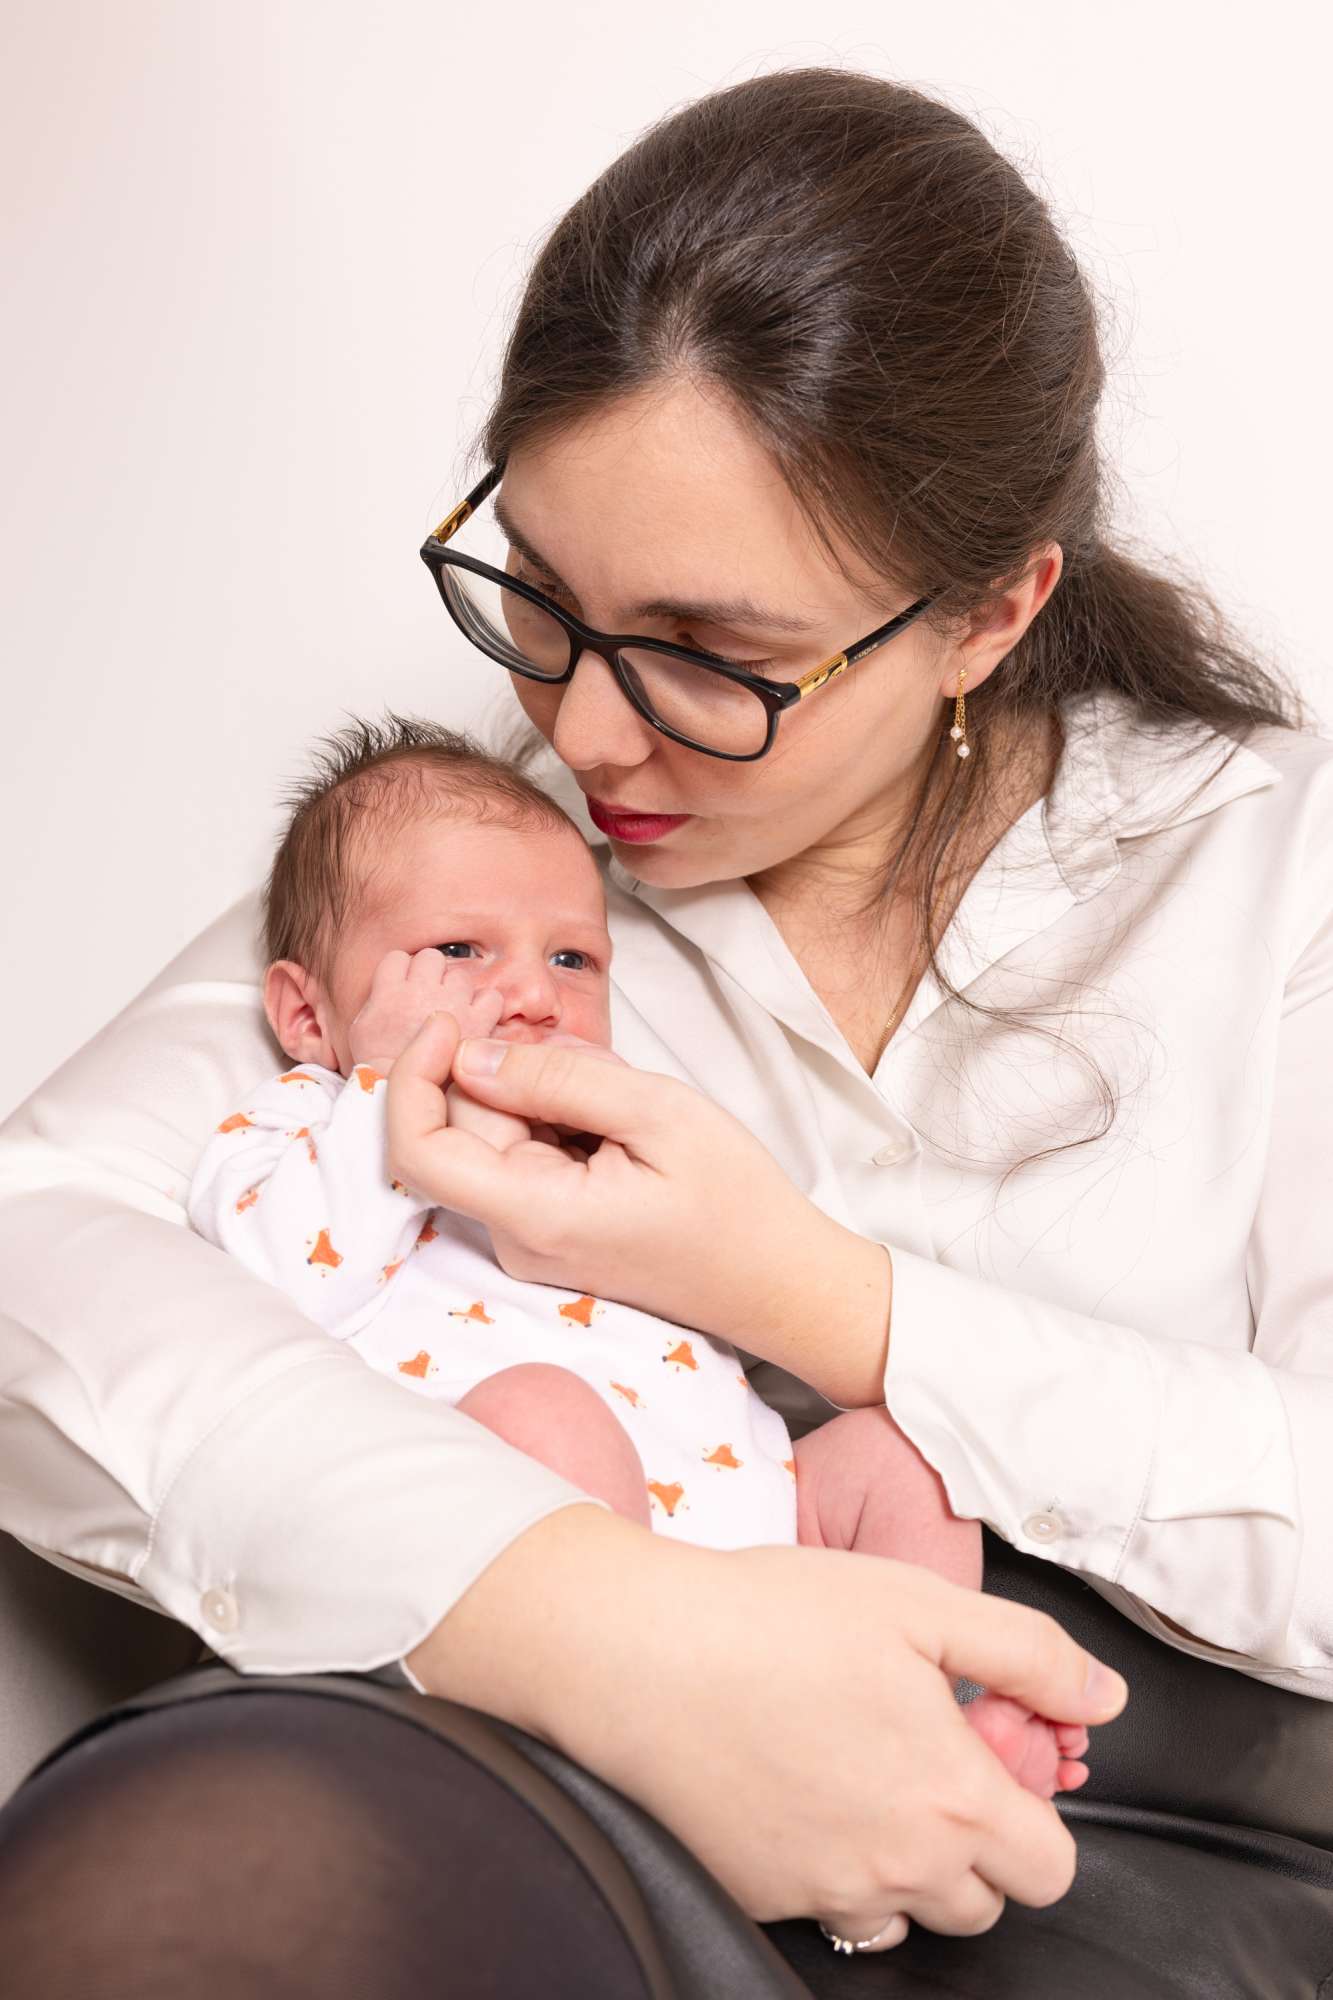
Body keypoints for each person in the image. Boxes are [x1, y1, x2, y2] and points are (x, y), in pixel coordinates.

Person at [1, 60, 1329, 1996]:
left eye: (713, 662)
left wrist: (823, 1298)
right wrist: (591, 1623)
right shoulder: (489, 875)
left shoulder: (1274, 875)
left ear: (988, 612)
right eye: (538, 597)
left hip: (1129, 1853)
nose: (590, 733)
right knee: (202, 1876)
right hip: (567, 1754)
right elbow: (38, 1239)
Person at [188, 718, 1093, 1795]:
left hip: (753, 1522)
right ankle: (679, 1734)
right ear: (306, 1012)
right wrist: (401, 1109)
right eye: (460, 951)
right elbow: (271, 1277)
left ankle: (923, 1707)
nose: (530, 992)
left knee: (904, 1450)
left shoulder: (615, 1134)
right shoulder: (307, 1120)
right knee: (545, 1408)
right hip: (564, 1581)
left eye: (572, 957)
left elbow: (729, 1301)